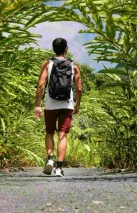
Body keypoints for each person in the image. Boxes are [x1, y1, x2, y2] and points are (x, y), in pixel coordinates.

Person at [34, 38, 82, 177]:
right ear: (66, 49)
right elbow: (79, 88)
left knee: (49, 132)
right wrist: (77, 104)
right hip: (67, 104)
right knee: (62, 134)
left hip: (50, 104)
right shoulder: (74, 66)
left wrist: (38, 105)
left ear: (53, 49)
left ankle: (50, 159)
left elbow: (41, 86)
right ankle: (59, 168)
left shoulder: (47, 64)